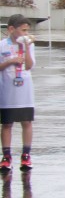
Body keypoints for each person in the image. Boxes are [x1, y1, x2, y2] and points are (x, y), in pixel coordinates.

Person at [0, 14, 35, 174]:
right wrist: (10, 61)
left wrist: (26, 47)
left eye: (27, 31)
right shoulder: (2, 45)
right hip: (7, 90)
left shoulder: (28, 45)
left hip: (25, 90)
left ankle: (26, 155)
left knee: (26, 122)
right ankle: (6, 156)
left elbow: (29, 66)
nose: (25, 34)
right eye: (23, 30)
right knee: (7, 124)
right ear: (11, 29)